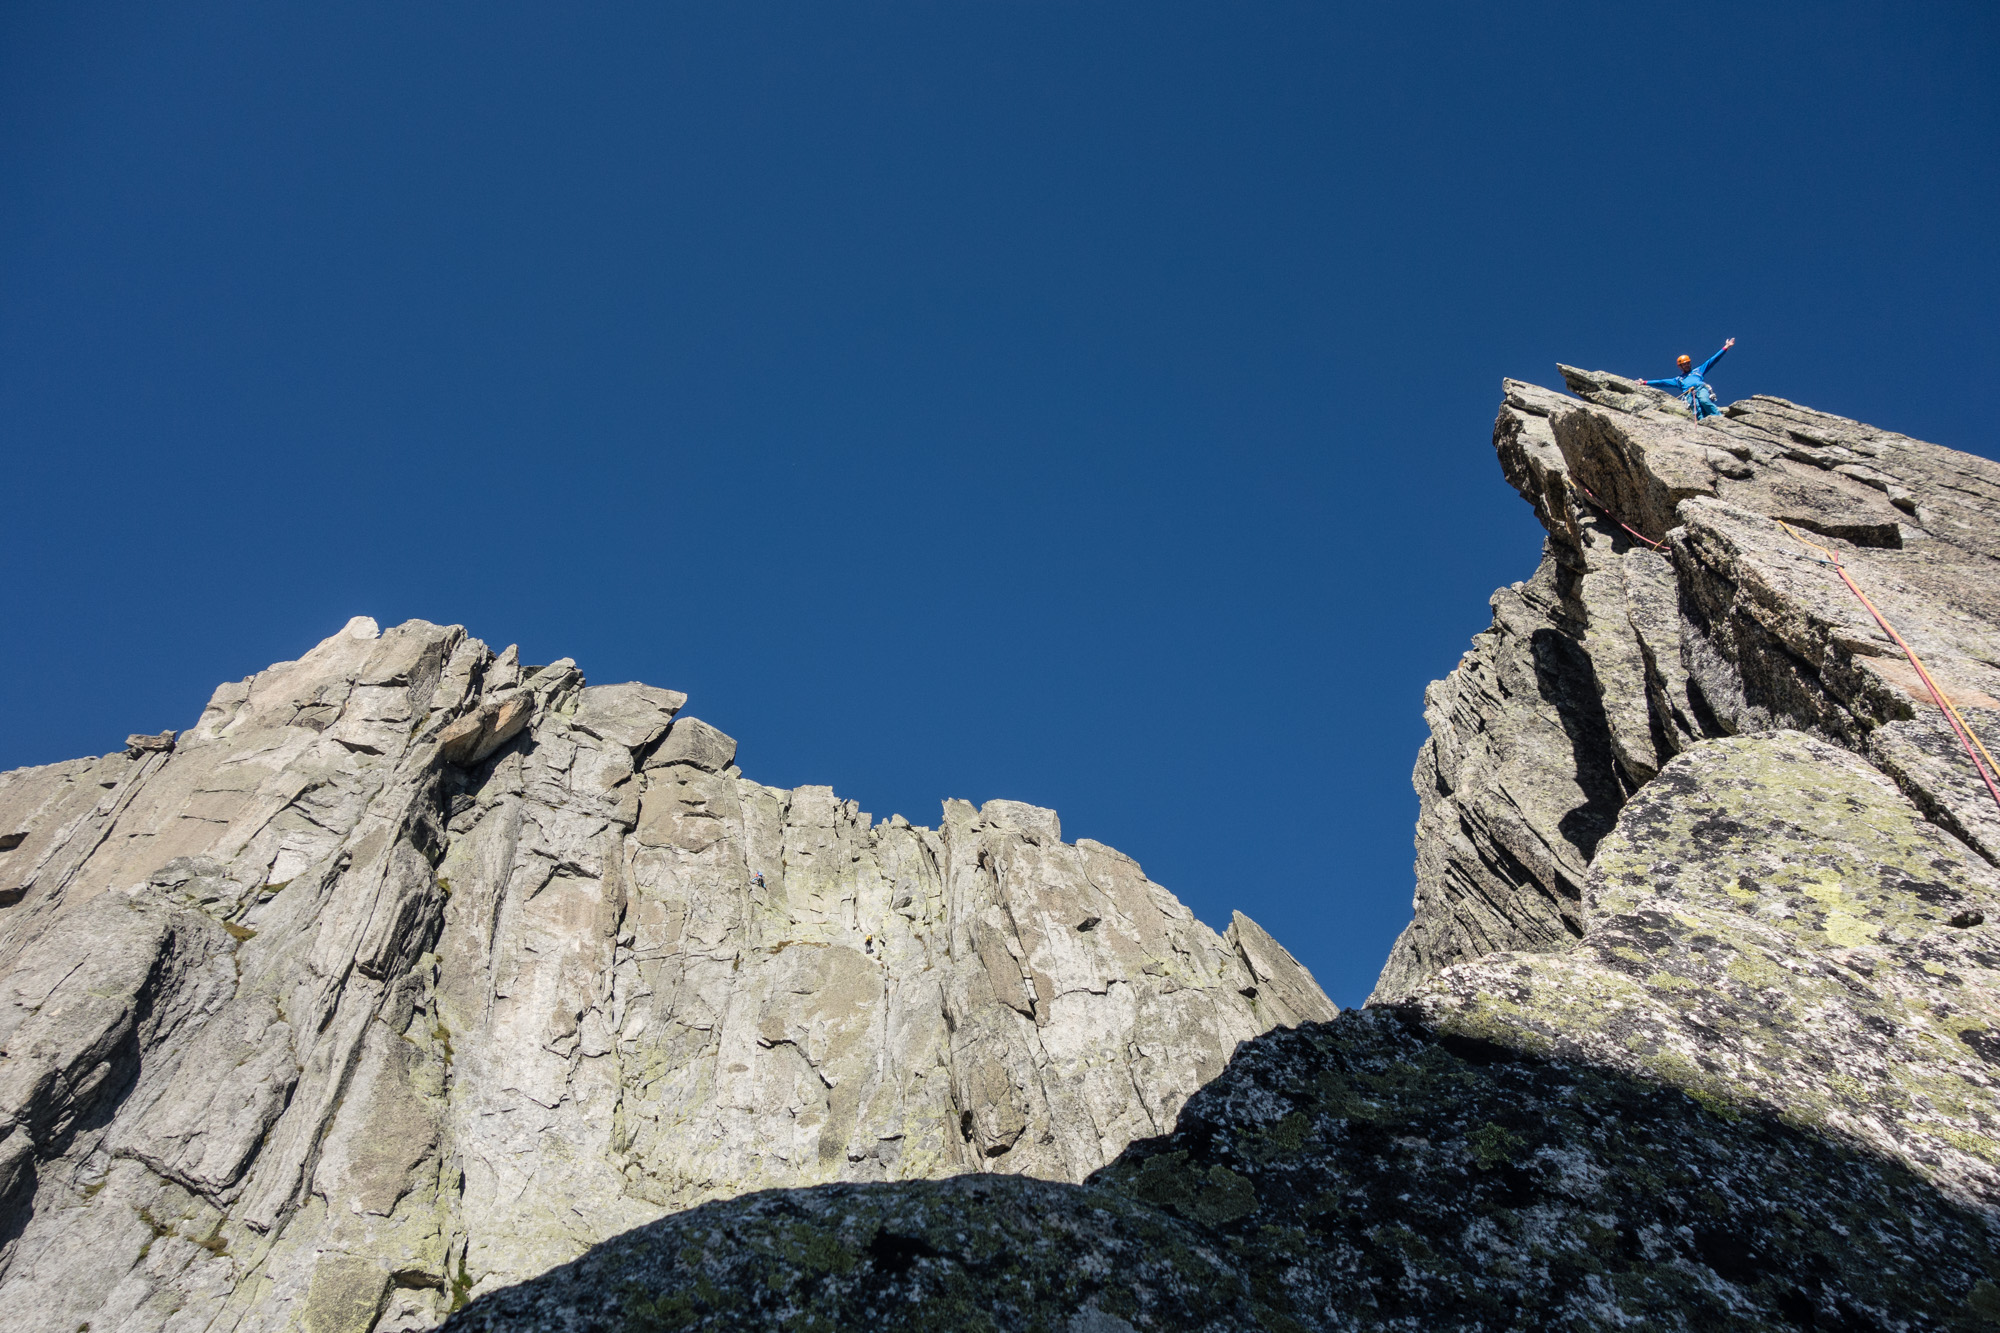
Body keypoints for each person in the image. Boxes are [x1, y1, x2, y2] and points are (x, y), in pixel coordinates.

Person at [1641, 337, 1735, 419]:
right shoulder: (1678, 380)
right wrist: (1645, 382)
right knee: (1696, 411)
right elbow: (1661, 382)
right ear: (1680, 366)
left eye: (1688, 363)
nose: (1687, 365)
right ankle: (1702, 424)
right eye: (1684, 364)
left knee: (1704, 401)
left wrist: (1726, 347)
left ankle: (1718, 417)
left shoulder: (1698, 371)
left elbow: (1713, 360)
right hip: (1689, 394)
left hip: (1700, 388)